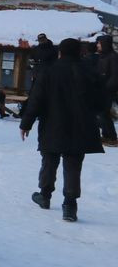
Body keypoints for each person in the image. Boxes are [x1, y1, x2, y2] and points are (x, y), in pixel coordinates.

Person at [20, 38, 105, 222]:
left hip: (52, 123)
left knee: (49, 159)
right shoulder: (90, 72)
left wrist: (26, 123)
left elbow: (36, 100)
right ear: (79, 53)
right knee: (73, 165)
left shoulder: (48, 71)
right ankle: (70, 205)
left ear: (60, 53)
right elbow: (102, 102)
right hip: (81, 125)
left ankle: (44, 195)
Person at [94, 35, 118, 146]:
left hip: (107, 90)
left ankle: (112, 137)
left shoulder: (112, 57)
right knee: (102, 114)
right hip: (101, 89)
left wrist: (106, 88)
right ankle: (107, 135)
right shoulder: (102, 56)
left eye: (99, 43)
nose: (97, 45)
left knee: (104, 113)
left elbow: (114, 76)